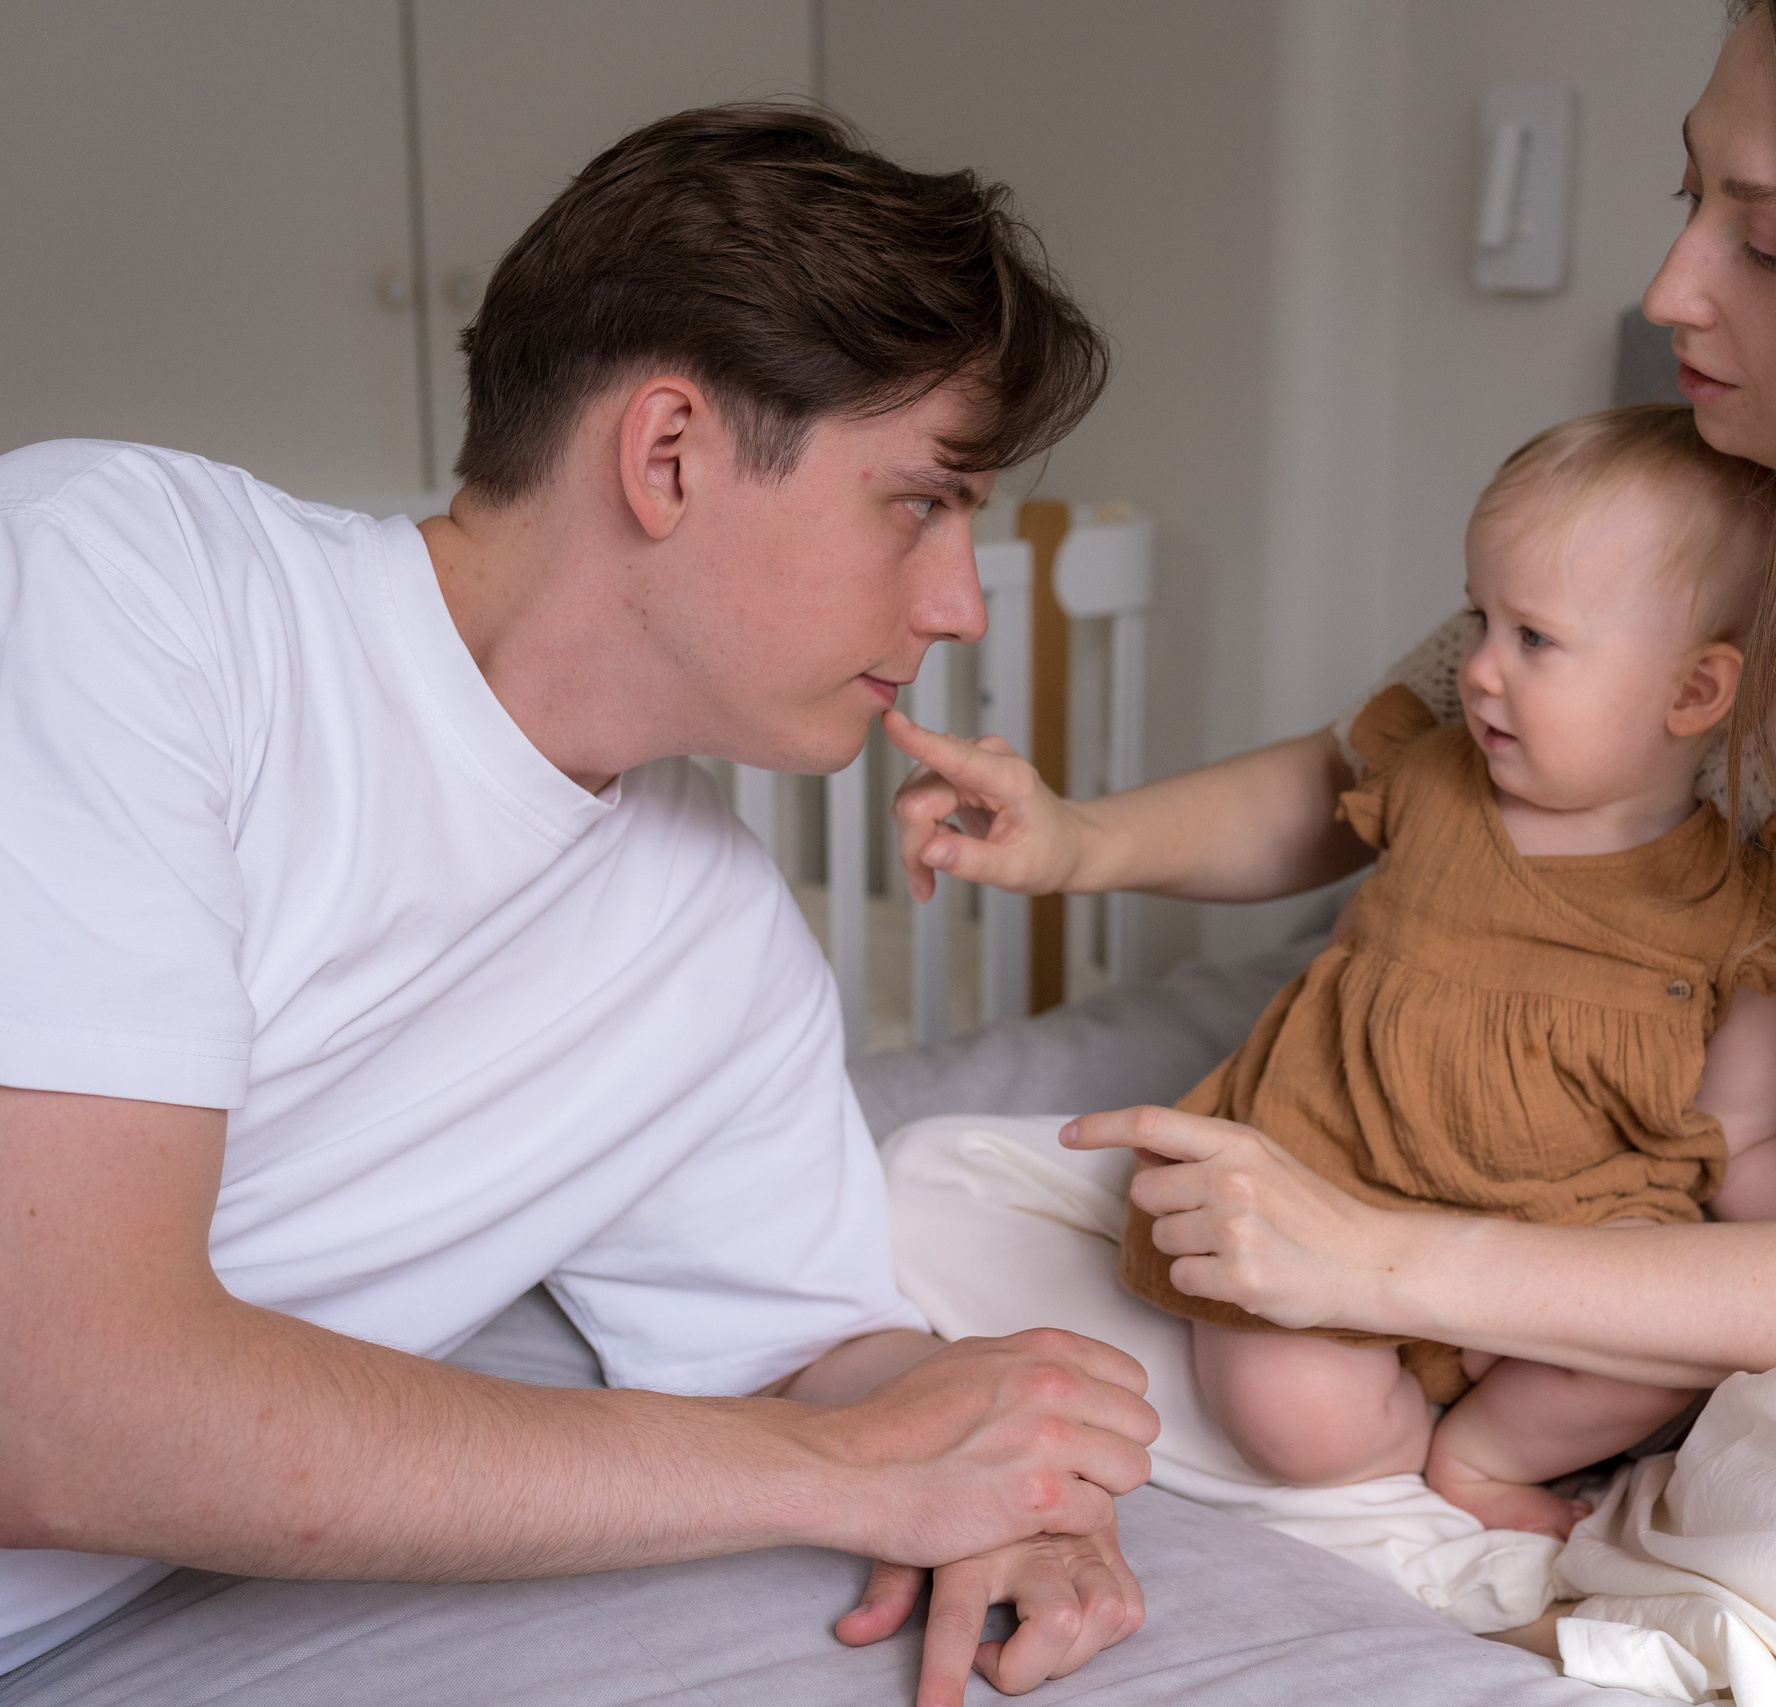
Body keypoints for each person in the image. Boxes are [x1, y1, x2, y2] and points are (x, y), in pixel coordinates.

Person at [886, 1, 1776, 1697]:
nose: (1669, 290)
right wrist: (1075, 844)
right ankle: (1479, 1497)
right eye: (1688, 198)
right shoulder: (1698, 510)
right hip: (1470, 1180)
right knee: (913, 1200)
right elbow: (1370, 767)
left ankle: (1524, 1506)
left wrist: (1381, 1258)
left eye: (1760, 241)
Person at [0, 106, 1160, 1707]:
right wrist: (830, 1471)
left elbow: (812, 1347)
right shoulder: (123, 584)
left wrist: (1009, 1477)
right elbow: (60, 1408)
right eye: (921, 500)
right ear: (668, 450)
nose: (958, 603)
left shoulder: (717, 935)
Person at [895, 406, 1776, 1542]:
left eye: (1533, 639)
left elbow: (1738, 1138)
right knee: (1287, 1418)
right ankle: (1385, 1463)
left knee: (1667, 1357)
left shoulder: (1730, 906)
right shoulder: (1432, 777)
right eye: (1476, 617)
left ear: (1693, 694)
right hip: (1329, 1184)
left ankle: (1484, 1458)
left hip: (1566, 1244)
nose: (1481, 669)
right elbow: (1303, 801)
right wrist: (1078, 842)